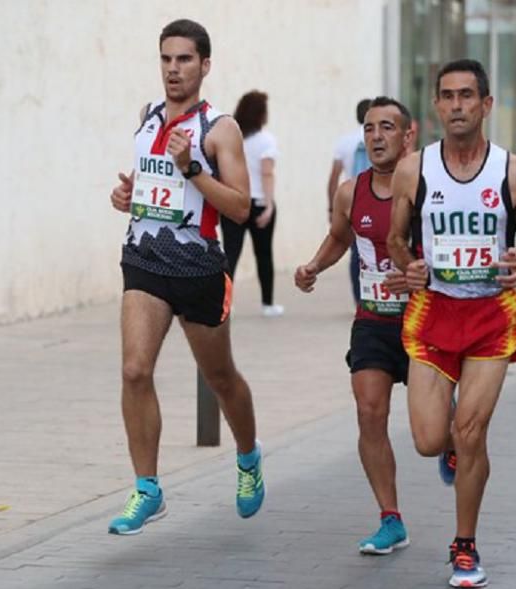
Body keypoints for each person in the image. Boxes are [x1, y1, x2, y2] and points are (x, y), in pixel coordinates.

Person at [386, 59, 516, 588]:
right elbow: (395, 239)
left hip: (490, 318)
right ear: (436, 105)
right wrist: (406, 265)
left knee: (471, 430)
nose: (456, 106)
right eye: (447, 96)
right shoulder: (415, 169)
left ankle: (464, 546)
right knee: (428, 439)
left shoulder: (515, 173)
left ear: (486, 104)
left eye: (466, 96)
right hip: (433, 311)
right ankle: (454, 446)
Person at [107, 18, 265, 535]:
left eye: (184, 60)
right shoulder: (147, 116)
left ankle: (247, 457)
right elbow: (151, 188)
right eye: (166, 59)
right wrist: (128, 199)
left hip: (198, 268)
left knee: (221, 379)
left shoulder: (220, 129)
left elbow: (241, 207)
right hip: (144, 260)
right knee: (134, 370)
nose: (173, 70)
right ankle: (148, 488)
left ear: (205, 65)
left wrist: (195, 171)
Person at [295, 97, 414, 555]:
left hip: (422, 321)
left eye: (387, 127)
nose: (377, 136)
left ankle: (451, 438)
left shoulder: (426, 187)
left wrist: (421, 272)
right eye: (369, 128)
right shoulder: (351, 191)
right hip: (373, 320)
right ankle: (390, 518)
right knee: (369, 412)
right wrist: (313, 267)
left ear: (408, 136)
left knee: (434, 433)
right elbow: (341, 237)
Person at [221, 90, 284, 317]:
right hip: (258, 203)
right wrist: (268, 205)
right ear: (260, 114)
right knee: (264, 255)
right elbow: (267, 173)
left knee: (230, 254)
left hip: (233, 202)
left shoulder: (231, 137)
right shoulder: (266, 140)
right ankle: (268, 304)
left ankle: (225, 304)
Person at [327, 99, 372, 305]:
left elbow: (334, 177)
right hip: (378, 200)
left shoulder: (344, 142)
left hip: (352, 200)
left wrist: (332, 207)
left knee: (355, 251)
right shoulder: (382, 138)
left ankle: (358, 299)